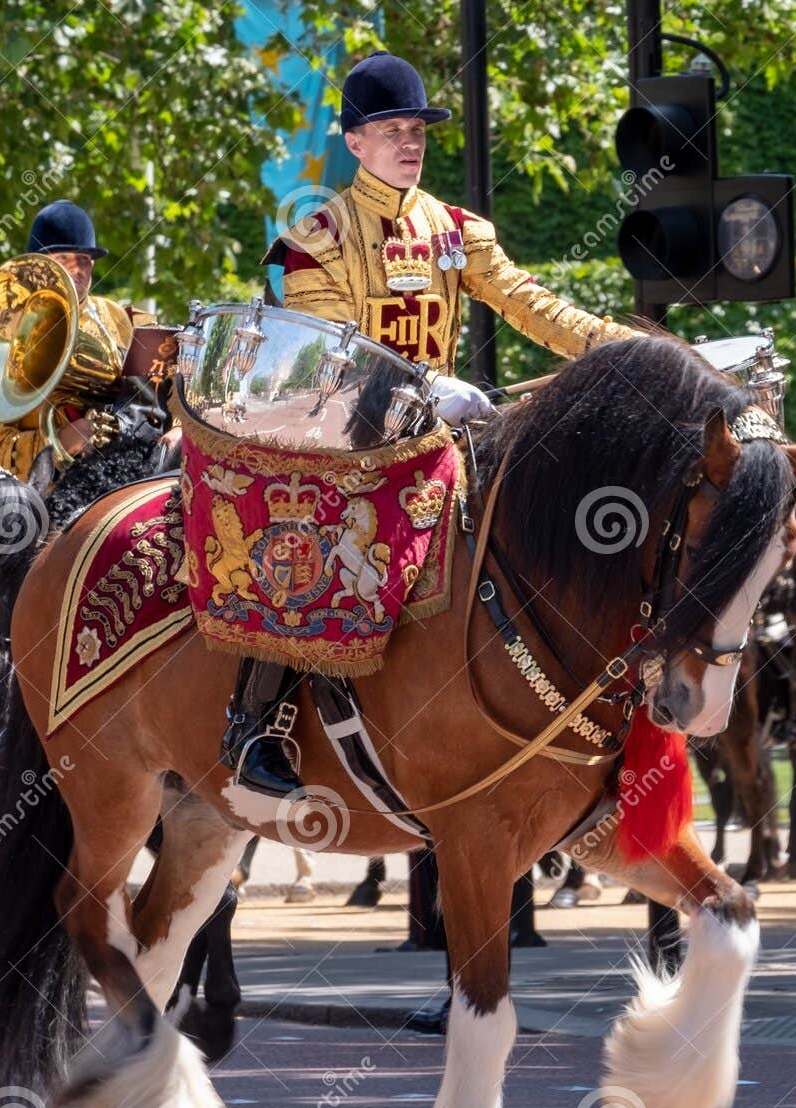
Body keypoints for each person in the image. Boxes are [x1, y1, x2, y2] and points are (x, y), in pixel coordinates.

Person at [232, 50, 639, 798]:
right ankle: (257, 720)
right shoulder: (315, 238)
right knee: (318, 541)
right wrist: (421, 386)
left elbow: (532, 307)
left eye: (417, 128)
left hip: (444, 434)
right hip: (351, 433)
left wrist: (626, 346)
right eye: (391, 129)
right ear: (354, 142)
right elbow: (331, 354)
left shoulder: (456, 231)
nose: (410, 141)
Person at [0, 199, 177, 484]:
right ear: (36, 266)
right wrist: (58, 443)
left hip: (131, 475)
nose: (77, 270)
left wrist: (180, 428)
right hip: (43, 495)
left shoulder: (124, 320)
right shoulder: (3, 332)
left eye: (85, 261)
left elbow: (171, 389)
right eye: (64, 260)